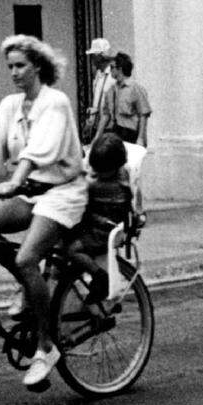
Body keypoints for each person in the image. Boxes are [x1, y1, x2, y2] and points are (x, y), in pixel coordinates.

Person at [0, 34, 87, 388]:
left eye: (20, 65)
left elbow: (40, 150)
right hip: (29, 192)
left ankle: (45, 347)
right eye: (10, 66)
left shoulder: (55, 102)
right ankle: (29, 283)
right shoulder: (10, 105)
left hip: (62, 193)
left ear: (38, 66)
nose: (14, 73)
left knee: (25, 258)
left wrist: (14, 180)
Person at [65, 132, 134, 317]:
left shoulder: (105, 185)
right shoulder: (123, 175)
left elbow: (85, 184)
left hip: (100, 231)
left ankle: (99, 277)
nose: (96, 172)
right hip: (101, 225)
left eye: (100, 170)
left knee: (72, 250)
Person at [110, 51, 151, 146]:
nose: (110, 70)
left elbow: (143, 115)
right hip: (118, 131)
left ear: (119, 69)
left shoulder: (135, 88)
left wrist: (140, 138)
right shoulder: (114, 89)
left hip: (130, 133)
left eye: (112, 67)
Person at [84, 37, 116, 142]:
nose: (92, 60)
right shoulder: (99, 75)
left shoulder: (112, 76)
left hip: (109, 128)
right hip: (97, 127)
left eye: (93, 56)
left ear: (100, 57)